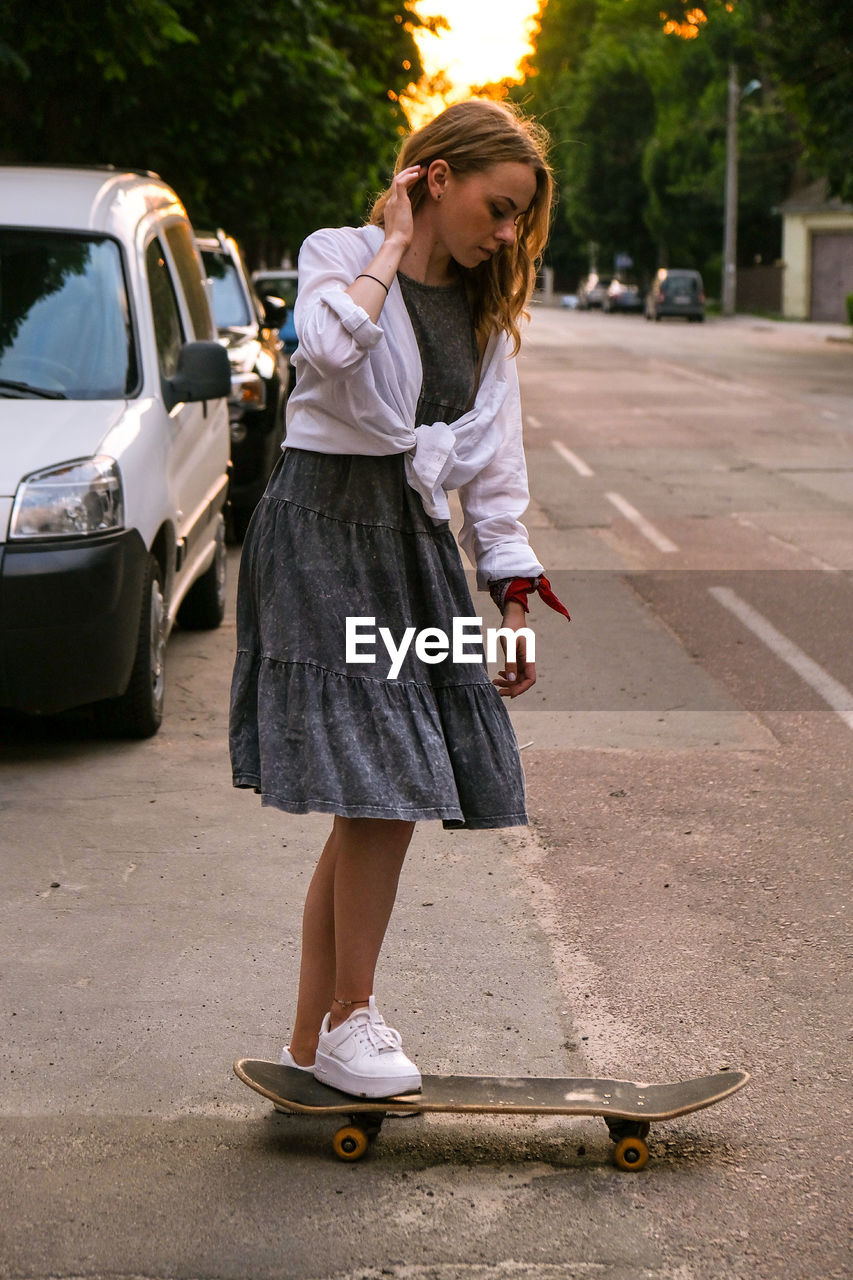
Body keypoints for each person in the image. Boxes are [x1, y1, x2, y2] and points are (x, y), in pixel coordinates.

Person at [229, 98, 569, 1098]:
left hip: (410, 555)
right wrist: (389, 245)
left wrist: (510, 603)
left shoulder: (485, 314)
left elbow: (494, 475)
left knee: (374, 796)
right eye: (496, 208)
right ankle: (349, 1019)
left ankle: (310, 1039)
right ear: (433, 177)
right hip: (321, 536)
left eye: (517, 220)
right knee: (383, 781)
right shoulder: (339, 249)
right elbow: (327, 350)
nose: (504, 234)